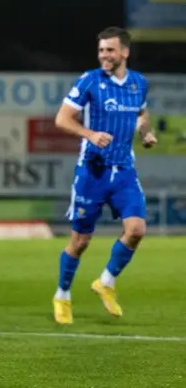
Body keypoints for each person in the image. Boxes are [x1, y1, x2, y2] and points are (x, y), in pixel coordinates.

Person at [52, 27, 158, 325]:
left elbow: (141, 115)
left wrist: (146, 133)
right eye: (100, 50)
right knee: (80, 241)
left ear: (124, 52)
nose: (104, 56)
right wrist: (89, 133)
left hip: (124, 170)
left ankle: (106, 281)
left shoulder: (139, 83)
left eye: (109, 50)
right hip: (92, 173)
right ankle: (62, 294)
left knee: (136, 230)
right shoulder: (89, 80)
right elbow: (62, 118)